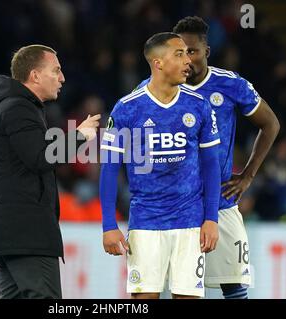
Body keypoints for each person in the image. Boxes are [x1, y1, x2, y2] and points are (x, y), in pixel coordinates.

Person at [137, 16, 280, 299]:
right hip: (172, 203)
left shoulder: (230, 85)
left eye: (194, 51)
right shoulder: (152, 90)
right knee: (162, 289)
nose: (188, 58)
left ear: (207, 51)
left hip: (221, 203)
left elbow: (270, 124)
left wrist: (248, 175)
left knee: (235, 285)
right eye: (180, 52)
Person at [100, 32, 221, 299]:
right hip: (145, 222)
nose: (188, 60)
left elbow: (211, 165)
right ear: (158, 63)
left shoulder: (198, 105)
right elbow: (109, 167)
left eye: (188, 53)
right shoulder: (127, 109)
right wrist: (109, 224)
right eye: (179, 54)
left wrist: (211, 218)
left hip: (190, 222)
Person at [0, 45, 100, 299]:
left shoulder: (13, 107)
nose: (62, 78)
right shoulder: (18, 108)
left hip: (12, 233)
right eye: (56, 70)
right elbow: (40, 156)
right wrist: (78, 136)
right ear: (34, 76)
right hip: (26, 233)